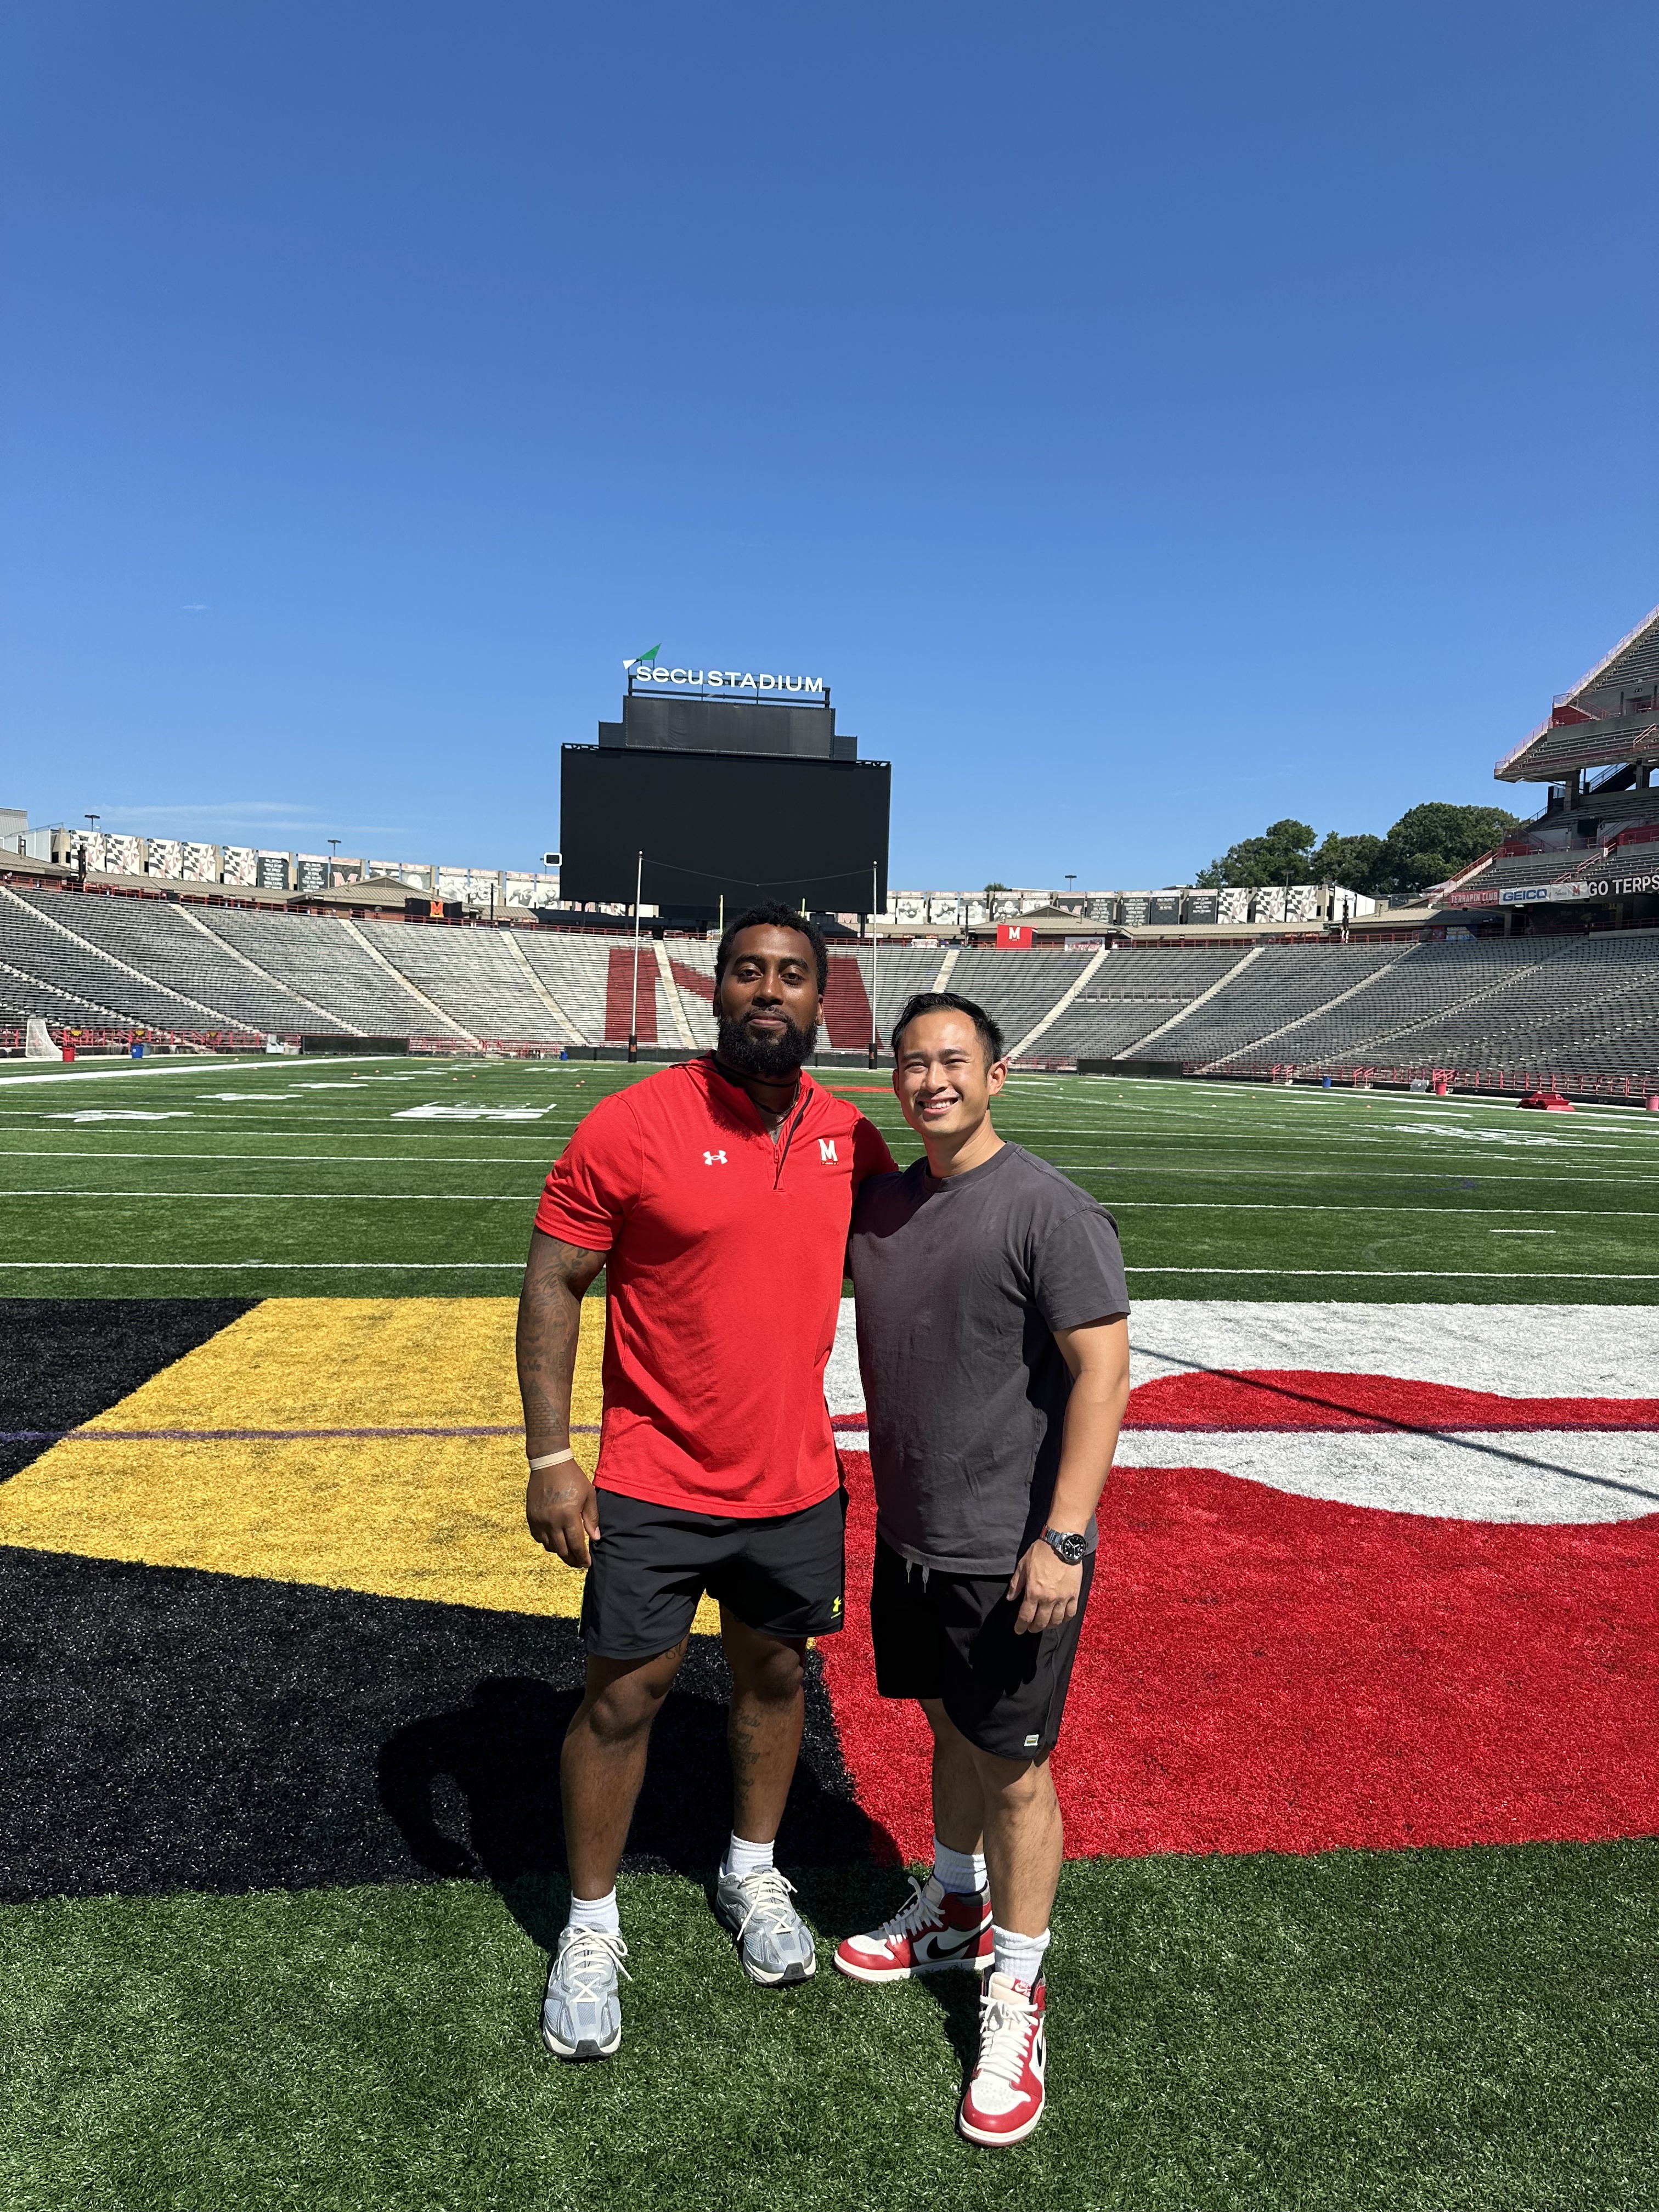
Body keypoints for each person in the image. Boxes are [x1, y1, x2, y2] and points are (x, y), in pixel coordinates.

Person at [517, 903, 896, 2061]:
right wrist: (550, 1456)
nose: (768, 990)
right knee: (623, 1699)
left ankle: (751, 1870)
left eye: (792, 974)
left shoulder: (853, 1138)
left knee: (775, 1678)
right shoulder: (633, 1123)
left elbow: (923, 1262)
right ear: (716, 988)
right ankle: (590, 1925)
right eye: (746, 971)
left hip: (794, 1479)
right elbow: (554, 1283)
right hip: (654, 1479)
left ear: (822, 998)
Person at [836, 991, 1130, 2149]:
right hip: (911, 1534)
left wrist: (1064, 1538)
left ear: (997, 1076)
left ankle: (1017, 1990)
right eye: (913, 1064)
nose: (933, 1080)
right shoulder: (883, 1204)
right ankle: (954, 1906)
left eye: (954, 1061)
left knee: (1014, 1770)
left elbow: (1104, 1374)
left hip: (1013, 1554)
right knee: (952, 1732)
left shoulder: (1050, 1209)